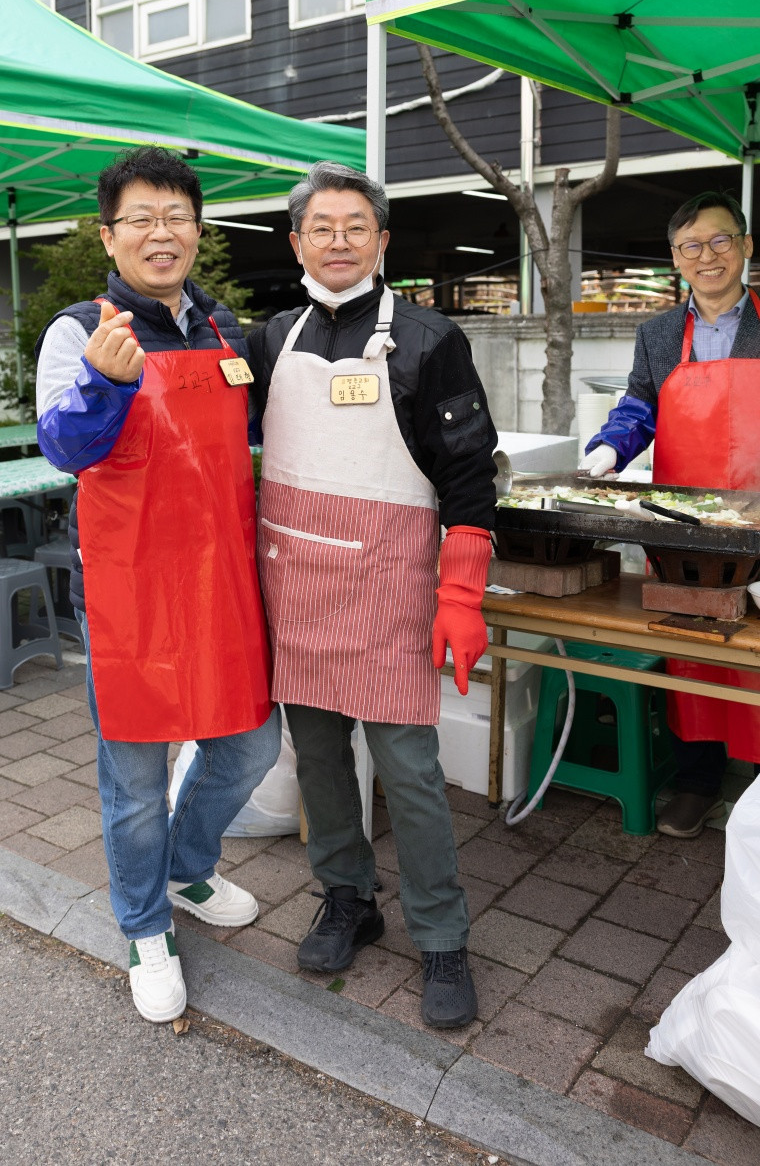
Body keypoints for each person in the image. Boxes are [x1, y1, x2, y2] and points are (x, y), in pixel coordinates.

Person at [247, 161, 497, 1031]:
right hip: (297, 584)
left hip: (391, 586)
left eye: (356, 226)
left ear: (383, 240)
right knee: (318, 762)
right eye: (322, 227)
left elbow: (469, 478)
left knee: (411, 773)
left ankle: (442, 936)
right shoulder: (269, 340)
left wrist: (461, 594)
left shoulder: (430, 339)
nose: (339, 240)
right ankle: (347, 897)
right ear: (297, 242)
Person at [35, 145, 280, 1025]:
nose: (160, 232)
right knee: (134, 779)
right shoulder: (81, 331)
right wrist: (104, 383)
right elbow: (62, 447)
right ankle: (143, 926)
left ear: (199, 231)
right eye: (140, 218)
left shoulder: (224, 331)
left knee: (250, 746)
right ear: (110, 235)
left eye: (176, 216)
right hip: (128, 591)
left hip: (221, 579)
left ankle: (186, 868)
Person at [582, 189, 760, 839]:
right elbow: (639, 407)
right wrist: (608, 450)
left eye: (719, 240)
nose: (707, 256)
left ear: (745, 245)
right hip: (685, 523)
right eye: (691, 246)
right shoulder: (657, 334)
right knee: (691, 650)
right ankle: (698, 782)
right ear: (675, 259)